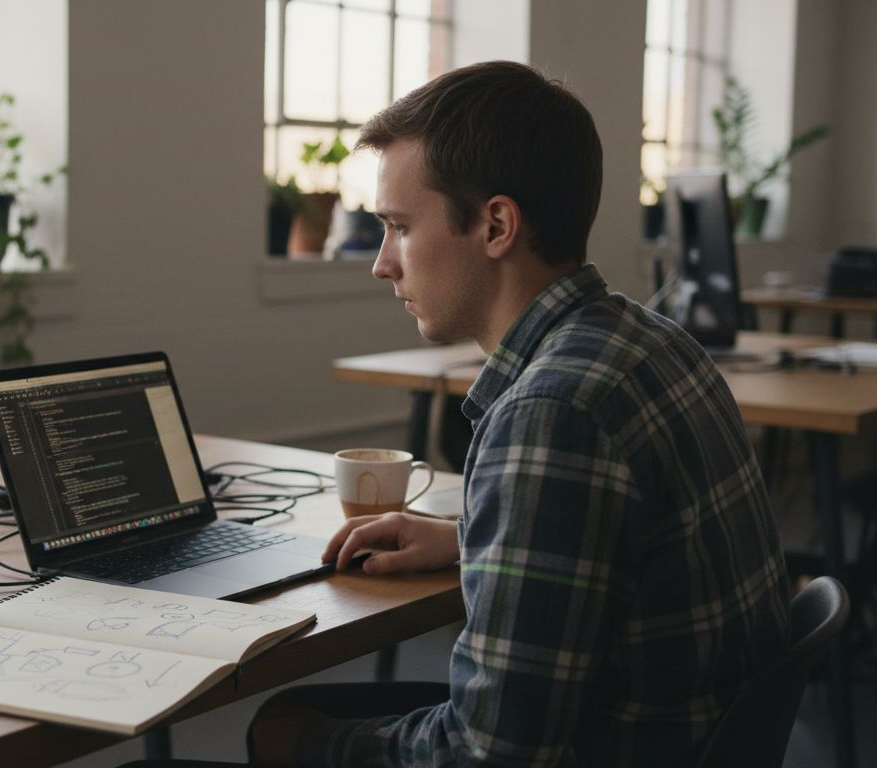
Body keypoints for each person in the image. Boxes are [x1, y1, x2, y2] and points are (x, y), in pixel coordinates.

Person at [250, 61, 790, 767]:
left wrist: (311, 747)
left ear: (497, 225)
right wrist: (470, 535)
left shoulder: (553, 411)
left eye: (399, 227)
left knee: (278, 726)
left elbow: (488, 754)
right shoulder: (653, 341)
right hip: (689, 734)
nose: (383, 263)